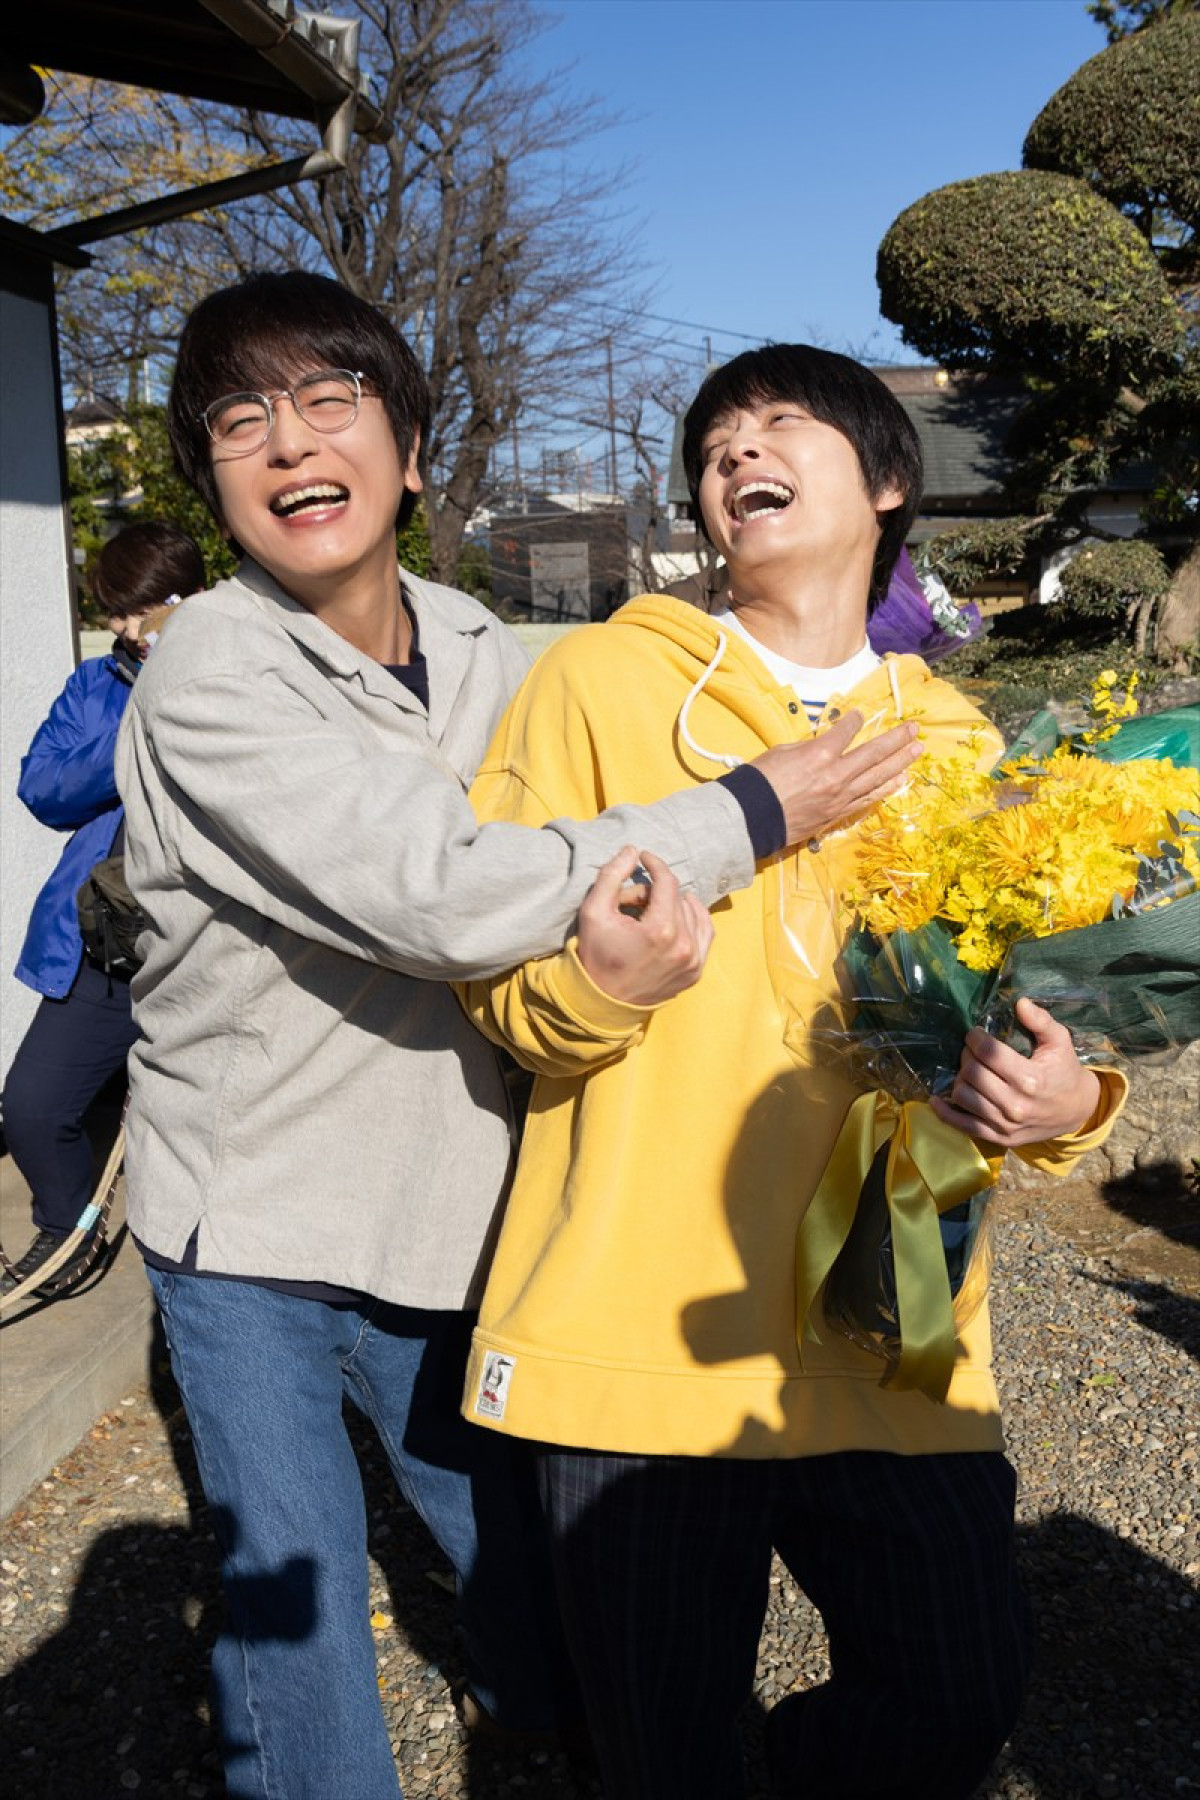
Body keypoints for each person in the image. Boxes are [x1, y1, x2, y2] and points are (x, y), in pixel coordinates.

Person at [113, 276, 920, 1800]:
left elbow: (627, 774)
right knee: (293, 1607)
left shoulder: (502, 650)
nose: (289, 441)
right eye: (240, 419)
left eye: (330, 401)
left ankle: (552, 1726)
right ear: (211, 480)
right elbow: (451, 897)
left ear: (412, 453)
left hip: (459, 1203)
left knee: (523, 1563)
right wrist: (760, 809)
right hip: (261, 1218)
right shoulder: (213, 667)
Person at [456, 344, 1128, 1800]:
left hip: (889, 1326)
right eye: (714, 442)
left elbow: (1025, 1010)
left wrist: (1072, 1111)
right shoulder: (596, 685)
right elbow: (499, 985)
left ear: (890, 483)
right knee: (660, 1751)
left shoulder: (959, 738)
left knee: (958, 1694)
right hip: (634, 1334)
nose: (736, 450)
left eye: (781, 426)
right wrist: (592, 986)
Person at [2, 522, 204, 1297]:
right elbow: (42, 790)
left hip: (200, 944)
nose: (127, 629)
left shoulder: (244, 670)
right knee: (34, 1105)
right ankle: (66, 1236)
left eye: (142, 610)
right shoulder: (98, 687)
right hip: (100, 941)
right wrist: (136, 729)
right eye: (115, 614)